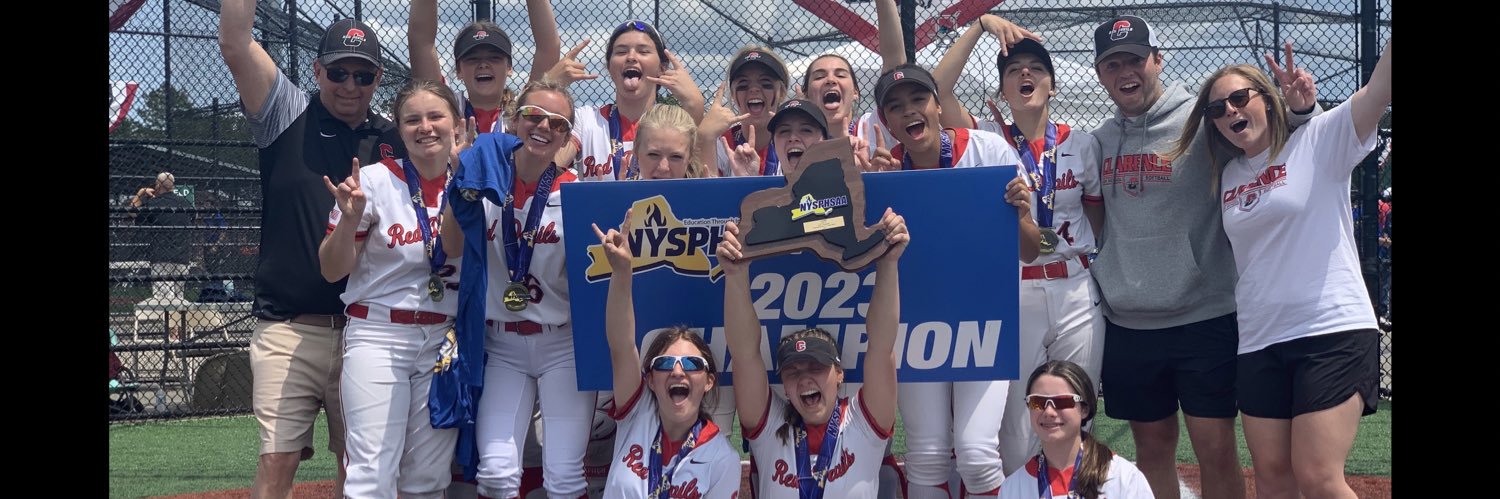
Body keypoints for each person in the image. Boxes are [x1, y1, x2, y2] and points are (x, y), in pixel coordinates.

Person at [1086, 15, 1322, 498]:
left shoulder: (1201, 120)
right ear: (1100, 74)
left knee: (1215, 449)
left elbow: (1263, 142)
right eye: (1112, 64)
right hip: (1130, 323)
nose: (1125, 71)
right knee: (1152, 451)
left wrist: (1299, 114)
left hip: (1204, 317)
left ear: (1157, 60)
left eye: (1135, 59)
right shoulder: (1100, 140)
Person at [1161, 39, 1391, 498]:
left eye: (1240, 98)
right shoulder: (1226, 174)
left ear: (1268, 98)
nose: (1229, 110)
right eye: (1216, 108)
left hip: (1331, 330)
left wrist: (1306, 114)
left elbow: (1380, 89)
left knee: (1319, 478)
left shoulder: (1321, 137)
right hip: (1260, 339)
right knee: (1272, 480)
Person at [218, 2, 406, 495]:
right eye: (339, 71)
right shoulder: (287, 112)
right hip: (288, 325)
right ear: (318, 69)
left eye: (363, 75)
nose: (349, 85)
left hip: (366, 330)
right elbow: (237, 44)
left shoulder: (393, 139)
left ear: (378, 79)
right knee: (277, 458)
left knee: (357, 462)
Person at [932, 19, 1108, 478]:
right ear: (1003, 89)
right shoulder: (988, 138)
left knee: (1075, 408)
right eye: (1014, 71)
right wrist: (979, 25)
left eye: (1035, 68)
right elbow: (937, 88)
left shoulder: (1083, 143)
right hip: (1015, 291)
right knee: (1015, 425)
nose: (1025, 74)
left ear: (1051, 84)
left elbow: (1096, 218)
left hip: (1074, 289)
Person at [866, 61, 1024, 498]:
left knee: (976, 453)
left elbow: (1030, 248)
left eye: (919, 99)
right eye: (895, 107)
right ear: (886, 121)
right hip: (918, 324)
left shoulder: (988, 150)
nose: (909, 112)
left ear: (939, 105)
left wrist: (1023, 212)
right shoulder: (885, 172)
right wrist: (876, 191)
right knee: (928, 452)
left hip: (984, 320)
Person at [444, 79, 594, 499]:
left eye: (558, 123)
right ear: (514, 120)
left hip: (562, 344)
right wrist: (460, 185)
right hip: (501, 344)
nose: (544, 127)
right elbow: (452, 248)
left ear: (567, 135)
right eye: (534, 115)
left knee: (564, 477)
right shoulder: (484, 182)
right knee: (495, 474)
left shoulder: (577, 192)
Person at [317, 80, 465, 499]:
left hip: (443, 338)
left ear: (456, 123)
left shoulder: (473, 182)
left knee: (428, 478)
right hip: (378, 334)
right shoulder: (375, 182)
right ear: (398, 130)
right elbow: (331, 270)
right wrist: (348, 220)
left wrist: (465, 178)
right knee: (372, 474)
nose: (425, 127)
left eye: (435, 116)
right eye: (412, 119)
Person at [718, 207, 908, 498]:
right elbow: (745, 353)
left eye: (817, 367)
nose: (804, 378)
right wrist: (736, 273)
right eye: (793, 371)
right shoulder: (771, 426)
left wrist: (888, 262)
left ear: (839, 374)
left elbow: (881, 347)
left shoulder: (862, 422)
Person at [590, 208, 742, 498]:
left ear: (709, 380)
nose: (677, 370)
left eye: (691, 363)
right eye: (664, 363)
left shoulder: (722, 459)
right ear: (649, 379)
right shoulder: (637, 414)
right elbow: (621, 345)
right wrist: (622, 272)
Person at [542, 20, 706, 181]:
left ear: (662, 68)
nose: (631, 57)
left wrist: (696, 104)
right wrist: (547, 85)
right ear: (609, 68)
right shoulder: (586, 120)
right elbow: (541, 167)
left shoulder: (674, 124)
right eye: (621, 52)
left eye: (643, 51)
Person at [998, 360, 1154, 498]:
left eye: (1062, 401)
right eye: (1037, 402)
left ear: (1084, 409)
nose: (1049, 412)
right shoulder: (1013, 488)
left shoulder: (1122, 477)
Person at [408, 0, 560, 137]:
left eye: (494, 58)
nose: (483, 64)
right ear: (459, 70)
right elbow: (421, 42)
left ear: (509, 67)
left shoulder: (523, 110)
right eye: (472, 59)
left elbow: (548, 48)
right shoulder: (446, 107)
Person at [700, 45, 791, 177]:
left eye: (765, 83)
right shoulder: (722, 142)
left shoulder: (794, 139)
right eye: (743, 85)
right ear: (732, 94)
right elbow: (709, 195)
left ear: (781, 92)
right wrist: (705, 137)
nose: (754, 89)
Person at [133, 172, 194, 305]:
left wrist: (141, 192)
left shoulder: (154, 204)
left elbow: (131, 213)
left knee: (163, 301)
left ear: (158, 185)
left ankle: (172, 326)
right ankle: (177, 325)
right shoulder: (186, 204)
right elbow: (193, 220)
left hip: (161, 257)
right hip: (182, 256)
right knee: (179, 299)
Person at [633, 104, 708, 179]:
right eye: (653, 154)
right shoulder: (624, 189)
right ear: (636, 151)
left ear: (690, 157)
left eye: (676, 157)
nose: (663, 168)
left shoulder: (713, 190)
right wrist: (624, 190)